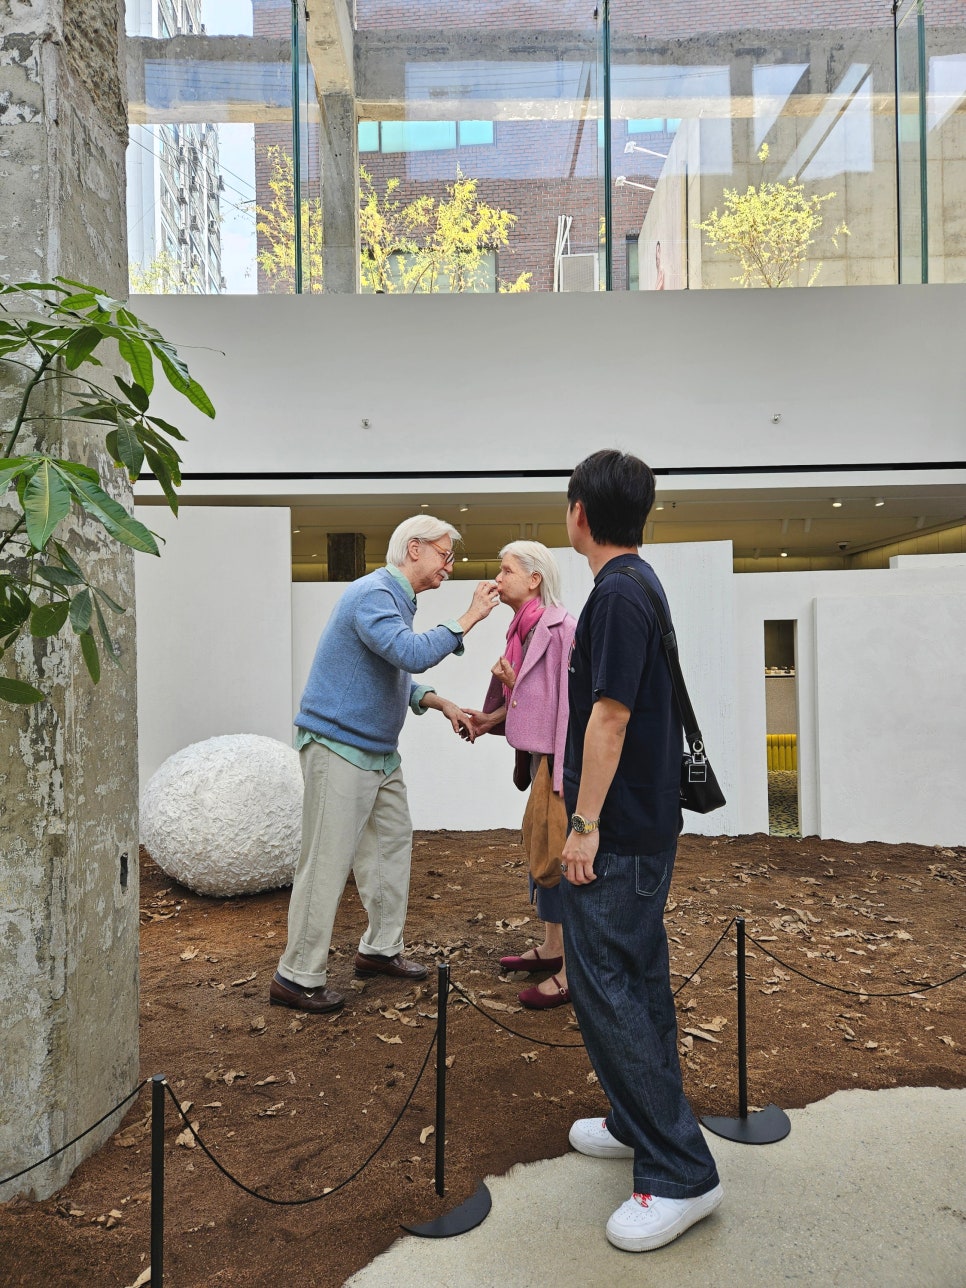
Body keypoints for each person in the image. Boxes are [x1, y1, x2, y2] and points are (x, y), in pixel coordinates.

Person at [560, 450, 722, 1252]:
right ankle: (637, 1120)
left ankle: (679, 1171)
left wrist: (582, 824)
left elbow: (611, 718)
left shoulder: (617, 595)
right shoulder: (636, 584)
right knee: (639, 979)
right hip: (643, 824)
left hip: (618, 832)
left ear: (580, 513)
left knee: (607, 989)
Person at [270, 516, 500, 1014]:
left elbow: (392, 672)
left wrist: (440, 704)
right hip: (338, 746)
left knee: (390, 846)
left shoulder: (397, 600)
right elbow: (408, 654)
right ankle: (295, 975)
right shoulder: (373, 593)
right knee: (325, 862)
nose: (449, 564)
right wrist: (468, 618)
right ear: (414, 549)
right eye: (445, 554)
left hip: (376, 751)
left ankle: (378, 951)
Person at [464, 542, 576, 1009]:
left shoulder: (562, 627)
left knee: (561, 854)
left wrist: (512, 688)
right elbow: (524, 701)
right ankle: (552, 948)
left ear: (534, 580)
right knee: (541, 845)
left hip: (559, 760)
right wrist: (488, 718)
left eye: (506, 570)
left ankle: (574, 969)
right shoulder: (521, 628)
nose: (498, 577)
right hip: (537, 759)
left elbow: (567, 705)